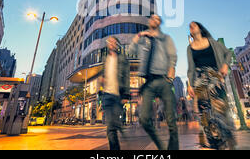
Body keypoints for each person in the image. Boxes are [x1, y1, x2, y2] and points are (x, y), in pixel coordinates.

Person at [130, 14, 179, 150]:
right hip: (149, 83)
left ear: (159, 23)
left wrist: (170, 77)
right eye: (152, 18)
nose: (154, 20)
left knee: (171, 120)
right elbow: (131, 50)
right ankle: (161, 147)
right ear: (150, 21)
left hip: (163, 79)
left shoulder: (165, 38)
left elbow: (173, 57)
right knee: (144, 119)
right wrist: (139, 35)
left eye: (157, 19)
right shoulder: (144, 39)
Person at [186, 21, 236, 150]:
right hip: (200, 80)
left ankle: (227, 137)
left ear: (200, 28)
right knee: (205, 113)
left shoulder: (212, 42)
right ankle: (214, 142)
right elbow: (191, 68)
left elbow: (228, 53)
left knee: (220, 109)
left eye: (194, 25)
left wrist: (225, 65)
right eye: (190, 26)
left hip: (215, 76)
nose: (191, 26)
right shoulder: (190, 47)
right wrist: (190, 85)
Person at [99, 36, 130, 150]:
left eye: (113, 41)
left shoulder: (122, 59)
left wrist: (126, 94)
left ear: (117, 44)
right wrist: (102, 79)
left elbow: (126, 76)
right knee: (111, 126)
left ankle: (119, 131)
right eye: (109, 42)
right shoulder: (105, 58)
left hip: (118, 95)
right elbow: (104, 73)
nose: (111, 43)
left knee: (113, 125)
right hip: (107, 95)